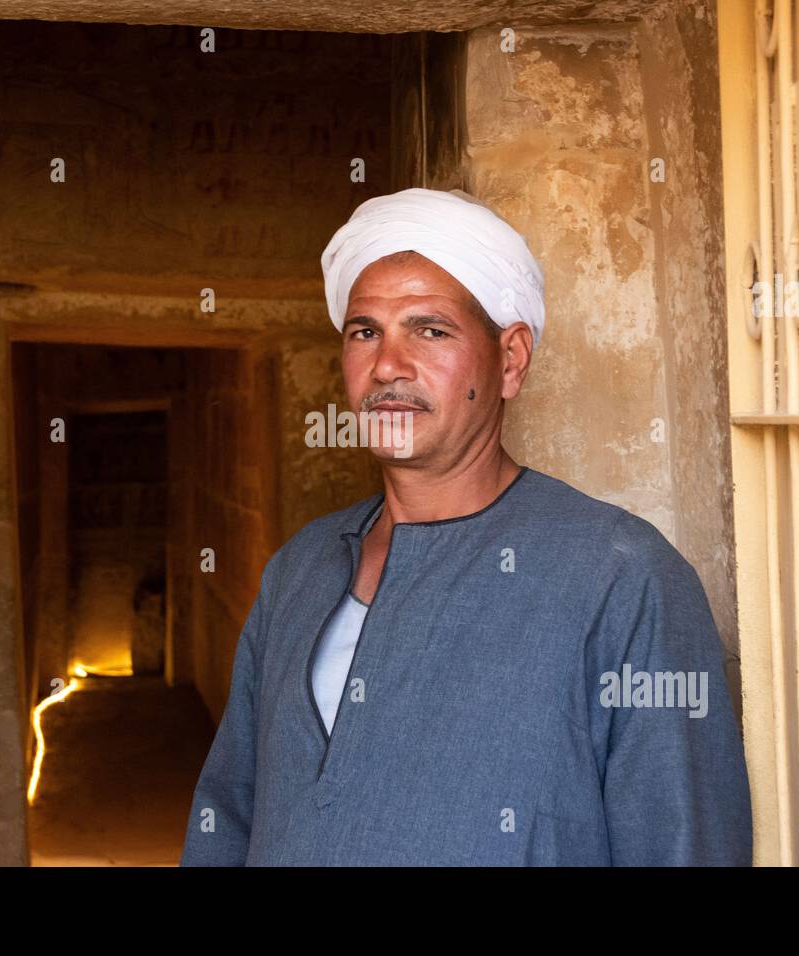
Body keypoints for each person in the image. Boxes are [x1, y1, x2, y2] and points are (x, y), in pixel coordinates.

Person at [180, 187, 753, 865]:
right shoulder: (302, 568)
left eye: (430, 329)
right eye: (365, 331)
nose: (388, 366)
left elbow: (681, 844)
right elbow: (229, 812)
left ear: (510, 359)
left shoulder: (620, 578)